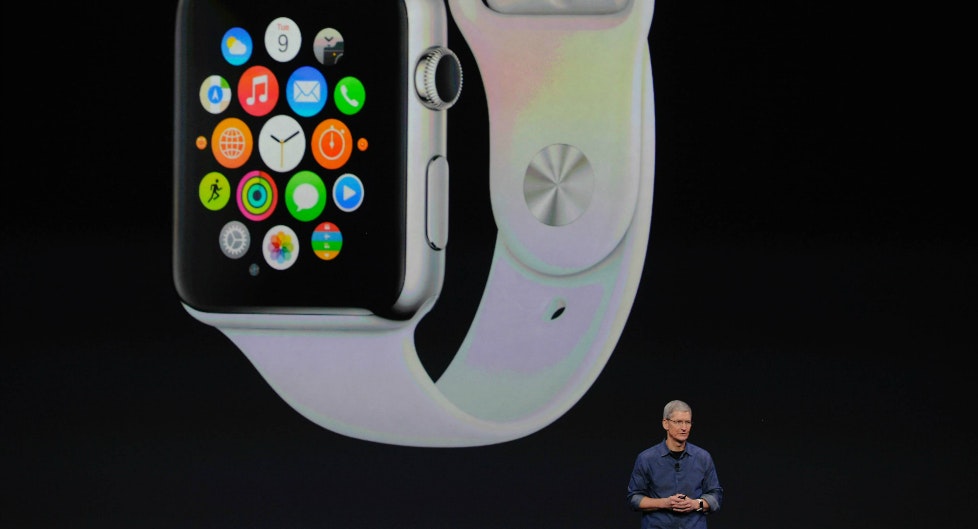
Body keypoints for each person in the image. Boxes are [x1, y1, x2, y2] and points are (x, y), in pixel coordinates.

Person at [626, 399, 723, 528]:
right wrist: (664, 503)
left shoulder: (703, 457)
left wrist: (695, 504)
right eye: (678, 422)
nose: (684, 427)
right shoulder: (647, 458)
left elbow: (716, 496)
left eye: (687, 422)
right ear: (665, 424)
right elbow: (633, 498)